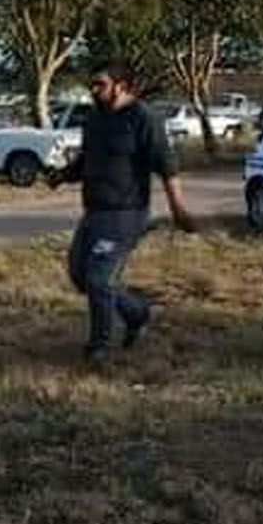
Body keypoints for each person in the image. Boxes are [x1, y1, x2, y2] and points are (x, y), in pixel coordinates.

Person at [54, 60, 196, 364]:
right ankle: (137, 314)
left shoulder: (143, 118)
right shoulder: (94, 119)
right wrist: (61, 175)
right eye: (92, 84)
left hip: (126, 214)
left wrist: (178, 208)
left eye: (100, 85)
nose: (93, 90)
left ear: (122, 86)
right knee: (81, 276)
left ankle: (99, 348)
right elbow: (85, 160)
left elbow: (167, 166)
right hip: (94, 211)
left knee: (99, 279)